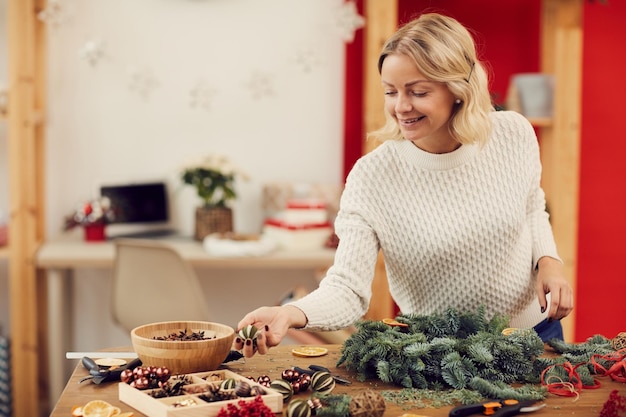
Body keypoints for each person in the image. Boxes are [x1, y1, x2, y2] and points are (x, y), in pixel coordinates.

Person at [234, 12, 573, 357]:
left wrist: (550, 262)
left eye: (418, 91)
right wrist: (291, 313)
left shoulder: (512, 134)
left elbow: (532, 203)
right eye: (391, 92)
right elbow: (347, 288)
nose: (401, 106)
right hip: (441, 358)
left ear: (458, 89)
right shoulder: (372, 177)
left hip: (535, 337)